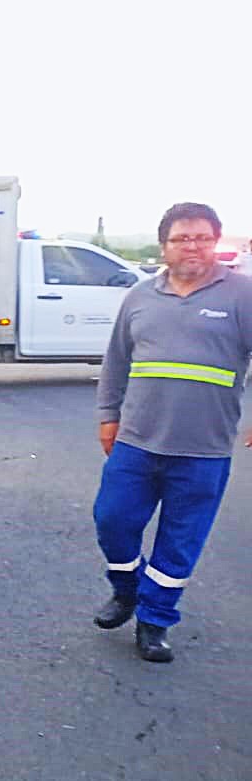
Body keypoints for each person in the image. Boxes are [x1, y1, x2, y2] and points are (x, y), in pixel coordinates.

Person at [92, 202, 252, 662]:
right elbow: (116, 362)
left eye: (203, 237)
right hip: (136, 443)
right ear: (164, 246)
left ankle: (154, 620)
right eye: (182, 238)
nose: (193, 247)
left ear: (216, 242)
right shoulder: (140, 298)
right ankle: (127, 590)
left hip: (205, 450)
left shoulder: (241, 295)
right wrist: (108, 415)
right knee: (112, 521)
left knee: (181, 540)